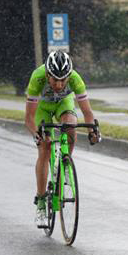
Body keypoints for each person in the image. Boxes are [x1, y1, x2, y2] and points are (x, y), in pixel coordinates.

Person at [25, 50, 99, 226]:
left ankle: (66, 161)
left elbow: (87, 112)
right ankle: (42, 202)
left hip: (63, 105)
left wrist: (92, 131)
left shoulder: (75, 79)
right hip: (42, 109)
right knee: (45, 147)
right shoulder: (37, 78)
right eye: (54, 79)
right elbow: (28, 117)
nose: (59, 84)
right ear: (48, 74)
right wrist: (37, 134)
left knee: (71, 124)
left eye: (63, 80)